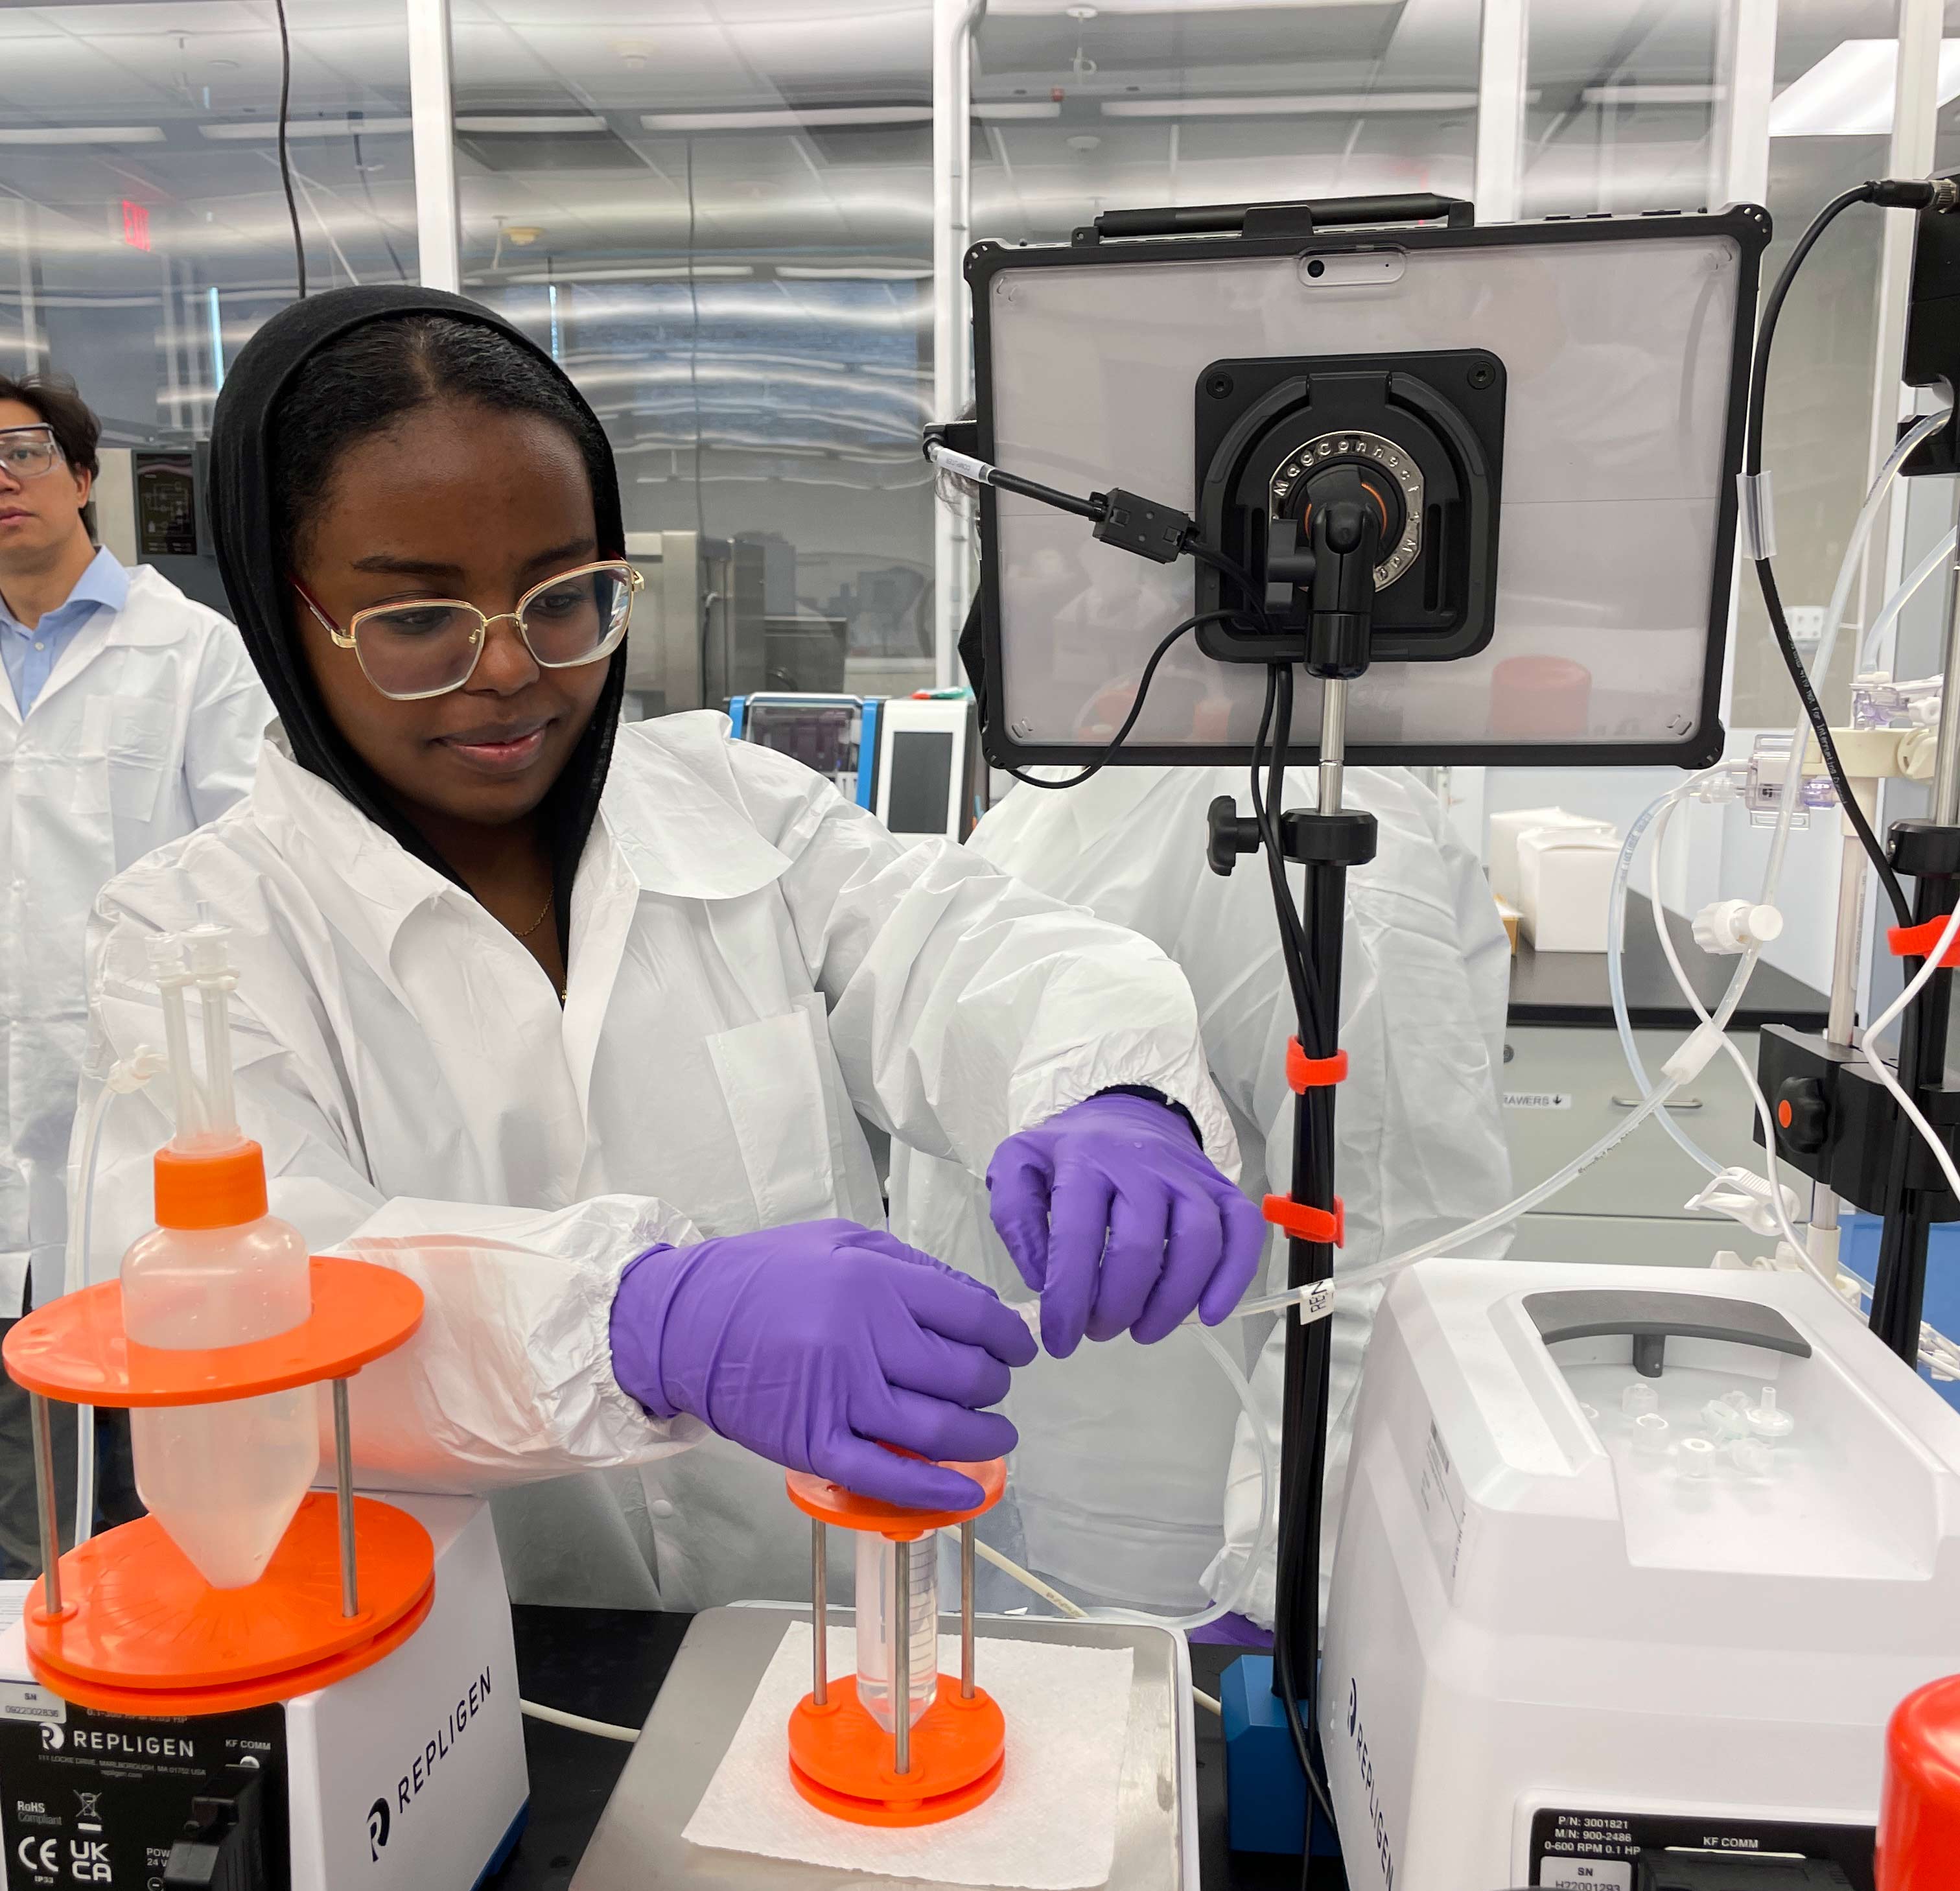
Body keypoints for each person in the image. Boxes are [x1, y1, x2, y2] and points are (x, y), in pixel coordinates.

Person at [73, 286, 1265, 1611]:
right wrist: (639, 1323)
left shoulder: (733, 808)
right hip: (454, 1688)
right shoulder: (192, 942)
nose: (514, 670)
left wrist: (1114, 1090)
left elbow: (966, 948)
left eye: (565, 596)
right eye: (418, 622)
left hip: (819, 1641)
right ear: (276, 611)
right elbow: (241, 1318)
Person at [891, 763, 1513, 1621]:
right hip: (1003, 1504)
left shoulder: (1307, 807)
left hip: (1188, 1553)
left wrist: (1287, 1583)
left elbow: (1397, 1237)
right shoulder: (1042, 795)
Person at [0, 373, 269, 1575]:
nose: (1, 483)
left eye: (22, 452)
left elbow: (255, 869)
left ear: (84, 474)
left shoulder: (191, 651)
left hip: (143, 1087)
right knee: (20, 1451)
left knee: (149, 1440)